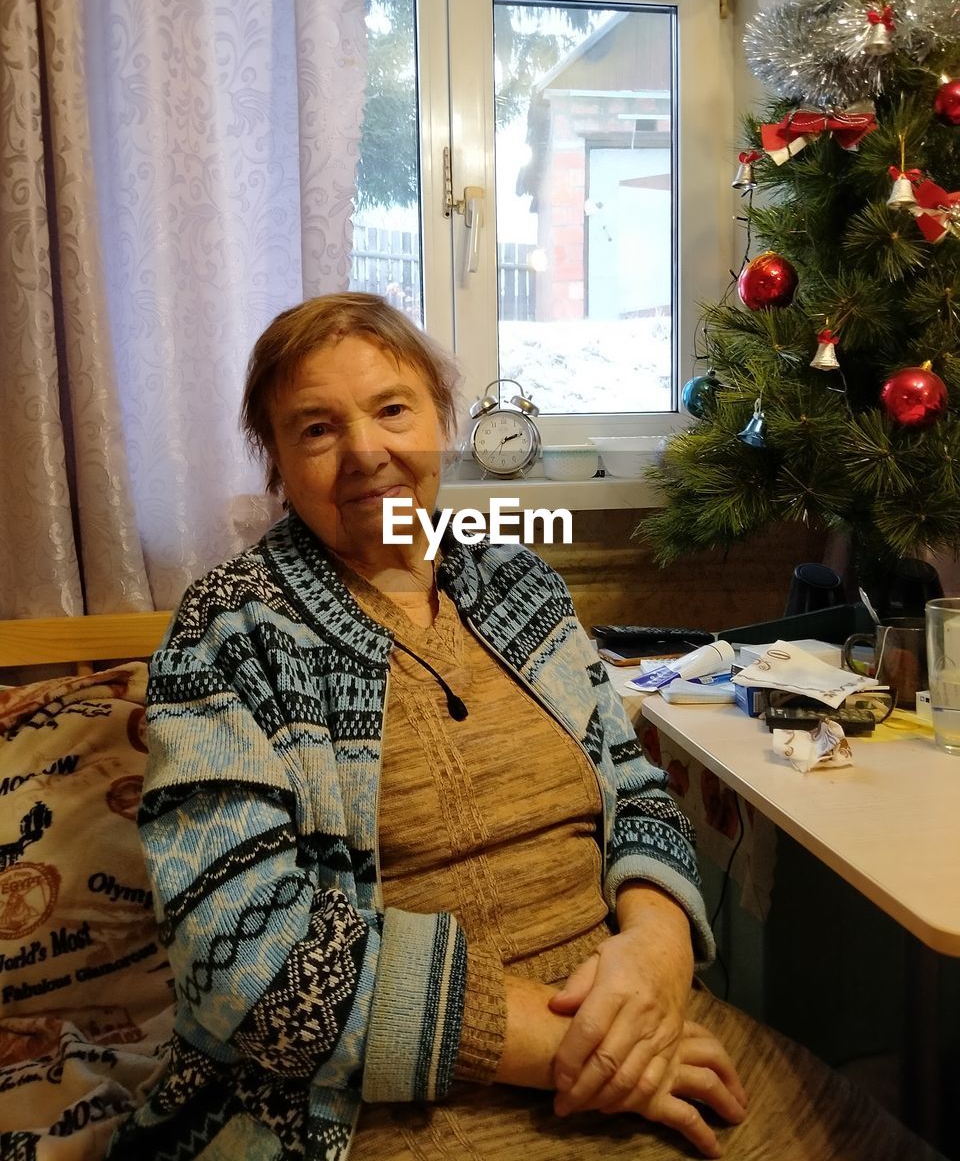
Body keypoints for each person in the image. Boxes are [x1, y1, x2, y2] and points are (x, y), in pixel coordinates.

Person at [108, 293, 941, 1161]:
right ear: (275, 460)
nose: (366, 452)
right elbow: (241, 955)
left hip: (638, 1016)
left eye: (394, 410)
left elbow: (637, 791)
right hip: (376, 1097)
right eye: (315, 430)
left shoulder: (519, 586)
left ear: (443, 419)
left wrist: (655, 957)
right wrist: (579, 1052)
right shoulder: (231, 629)